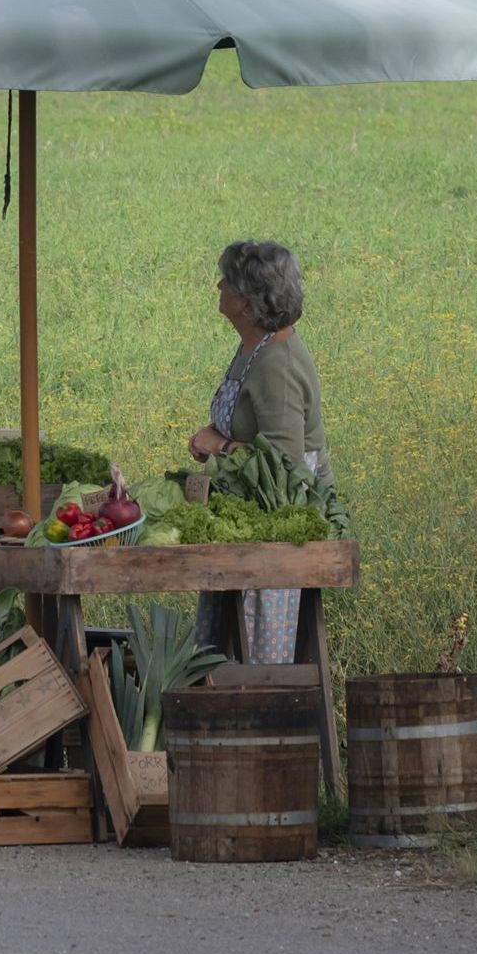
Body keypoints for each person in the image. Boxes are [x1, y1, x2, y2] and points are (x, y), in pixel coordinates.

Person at [186, 238, 326, 663]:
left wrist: (220, 445)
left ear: (248, 303)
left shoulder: (278, 364)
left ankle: (262, 699)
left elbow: (284, 465)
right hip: (249, 514)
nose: (218, 287)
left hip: (278, 525)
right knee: (223, 642)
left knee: (261, 654)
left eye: (227, 282)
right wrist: (216, 434)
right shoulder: (255, 347)